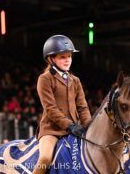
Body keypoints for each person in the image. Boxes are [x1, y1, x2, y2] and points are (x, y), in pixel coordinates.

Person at [32, 35, 91, 174]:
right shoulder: (45, 79)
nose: (67, 60)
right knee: (45, 159)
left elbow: (82, 107)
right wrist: (70, 125)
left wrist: (88, 126)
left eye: (69, 56)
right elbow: (50, 109)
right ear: (51, 59)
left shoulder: (75, 80)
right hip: (52, 130)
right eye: (62, 57)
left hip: (75, 129)